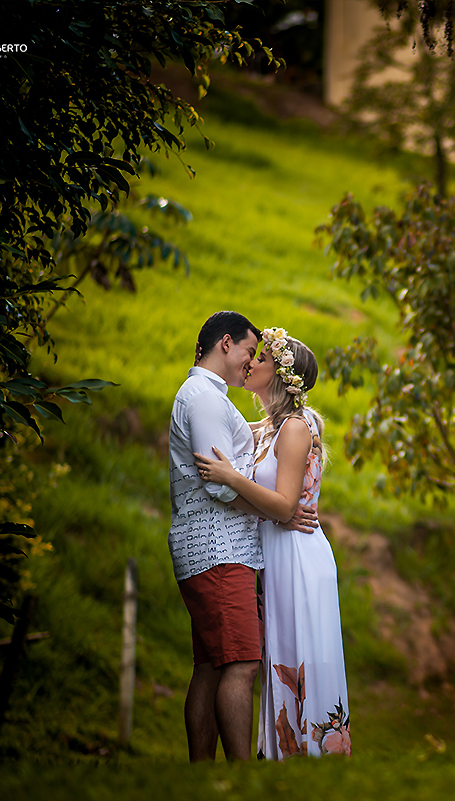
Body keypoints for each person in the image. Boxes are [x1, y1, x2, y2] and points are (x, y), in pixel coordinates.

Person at [168, 311, 317, 762]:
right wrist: (278, 515)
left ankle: (204, 775)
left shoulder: (208, 398)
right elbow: (218, 483)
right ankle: (237, 775)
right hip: (218, 550)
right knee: (241, 664)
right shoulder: (206, 399)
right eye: (250, 353)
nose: (250, 364)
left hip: (218, 549)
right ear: (226, 344)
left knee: (212, 667)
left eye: (260, 357)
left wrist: (276, 510)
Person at [196, 326, 351, 758]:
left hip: (297, 555)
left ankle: (317, 755)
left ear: (281, 376)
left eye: (261, 359)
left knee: (299, 656)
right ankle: (283, 755)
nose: (251, 362)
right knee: (276, 658)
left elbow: (284, 505)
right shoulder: (265, 429)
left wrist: (230, 478)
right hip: (273, 552)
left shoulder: (298, 428)